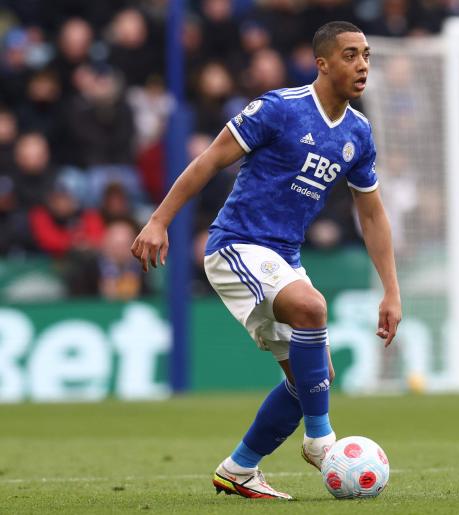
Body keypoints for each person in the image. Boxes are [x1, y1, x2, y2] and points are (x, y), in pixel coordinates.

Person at [131, 21, 401, 500]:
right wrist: (159, 221)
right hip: (237, 244)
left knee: (313, 378)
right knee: (312, 309)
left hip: (283, 255)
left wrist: (392, 291)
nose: (362, 65)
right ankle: (321, 442)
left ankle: (239, 469)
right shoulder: (280, 108)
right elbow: (209, 160)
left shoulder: (358, 132)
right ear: (322, 64)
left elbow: (373, 213)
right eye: (350, 55)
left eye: (366, 55)